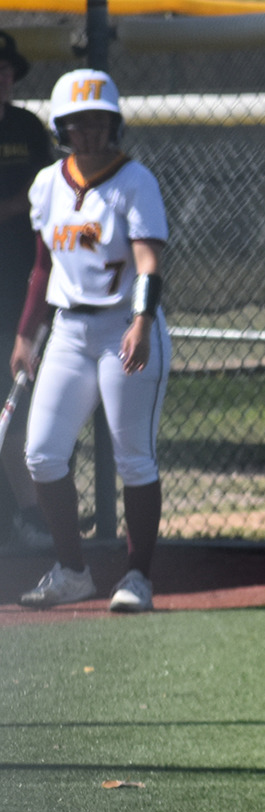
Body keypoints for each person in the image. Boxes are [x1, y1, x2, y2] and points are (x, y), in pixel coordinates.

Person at [12, 70, 170, 612]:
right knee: (42, 456)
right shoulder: (47, 183)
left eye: (98, 121)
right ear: (62, 128)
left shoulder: (135, 181)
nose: (89, 133)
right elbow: (41, 267)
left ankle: (138, 578)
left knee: (135, 459)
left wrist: (142, 322)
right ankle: (73, 571)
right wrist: (26, 334)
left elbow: (149, 258)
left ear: (114, 123)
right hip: (68, 332)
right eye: (77, 124)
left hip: (123, 328)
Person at [0, 32, 53, 550]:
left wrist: (12, 209)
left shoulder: (28, 129)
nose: (0, 77)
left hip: (21, 283)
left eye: (5, 69)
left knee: (21, 398)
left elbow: (44, 196)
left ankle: (33, 515)